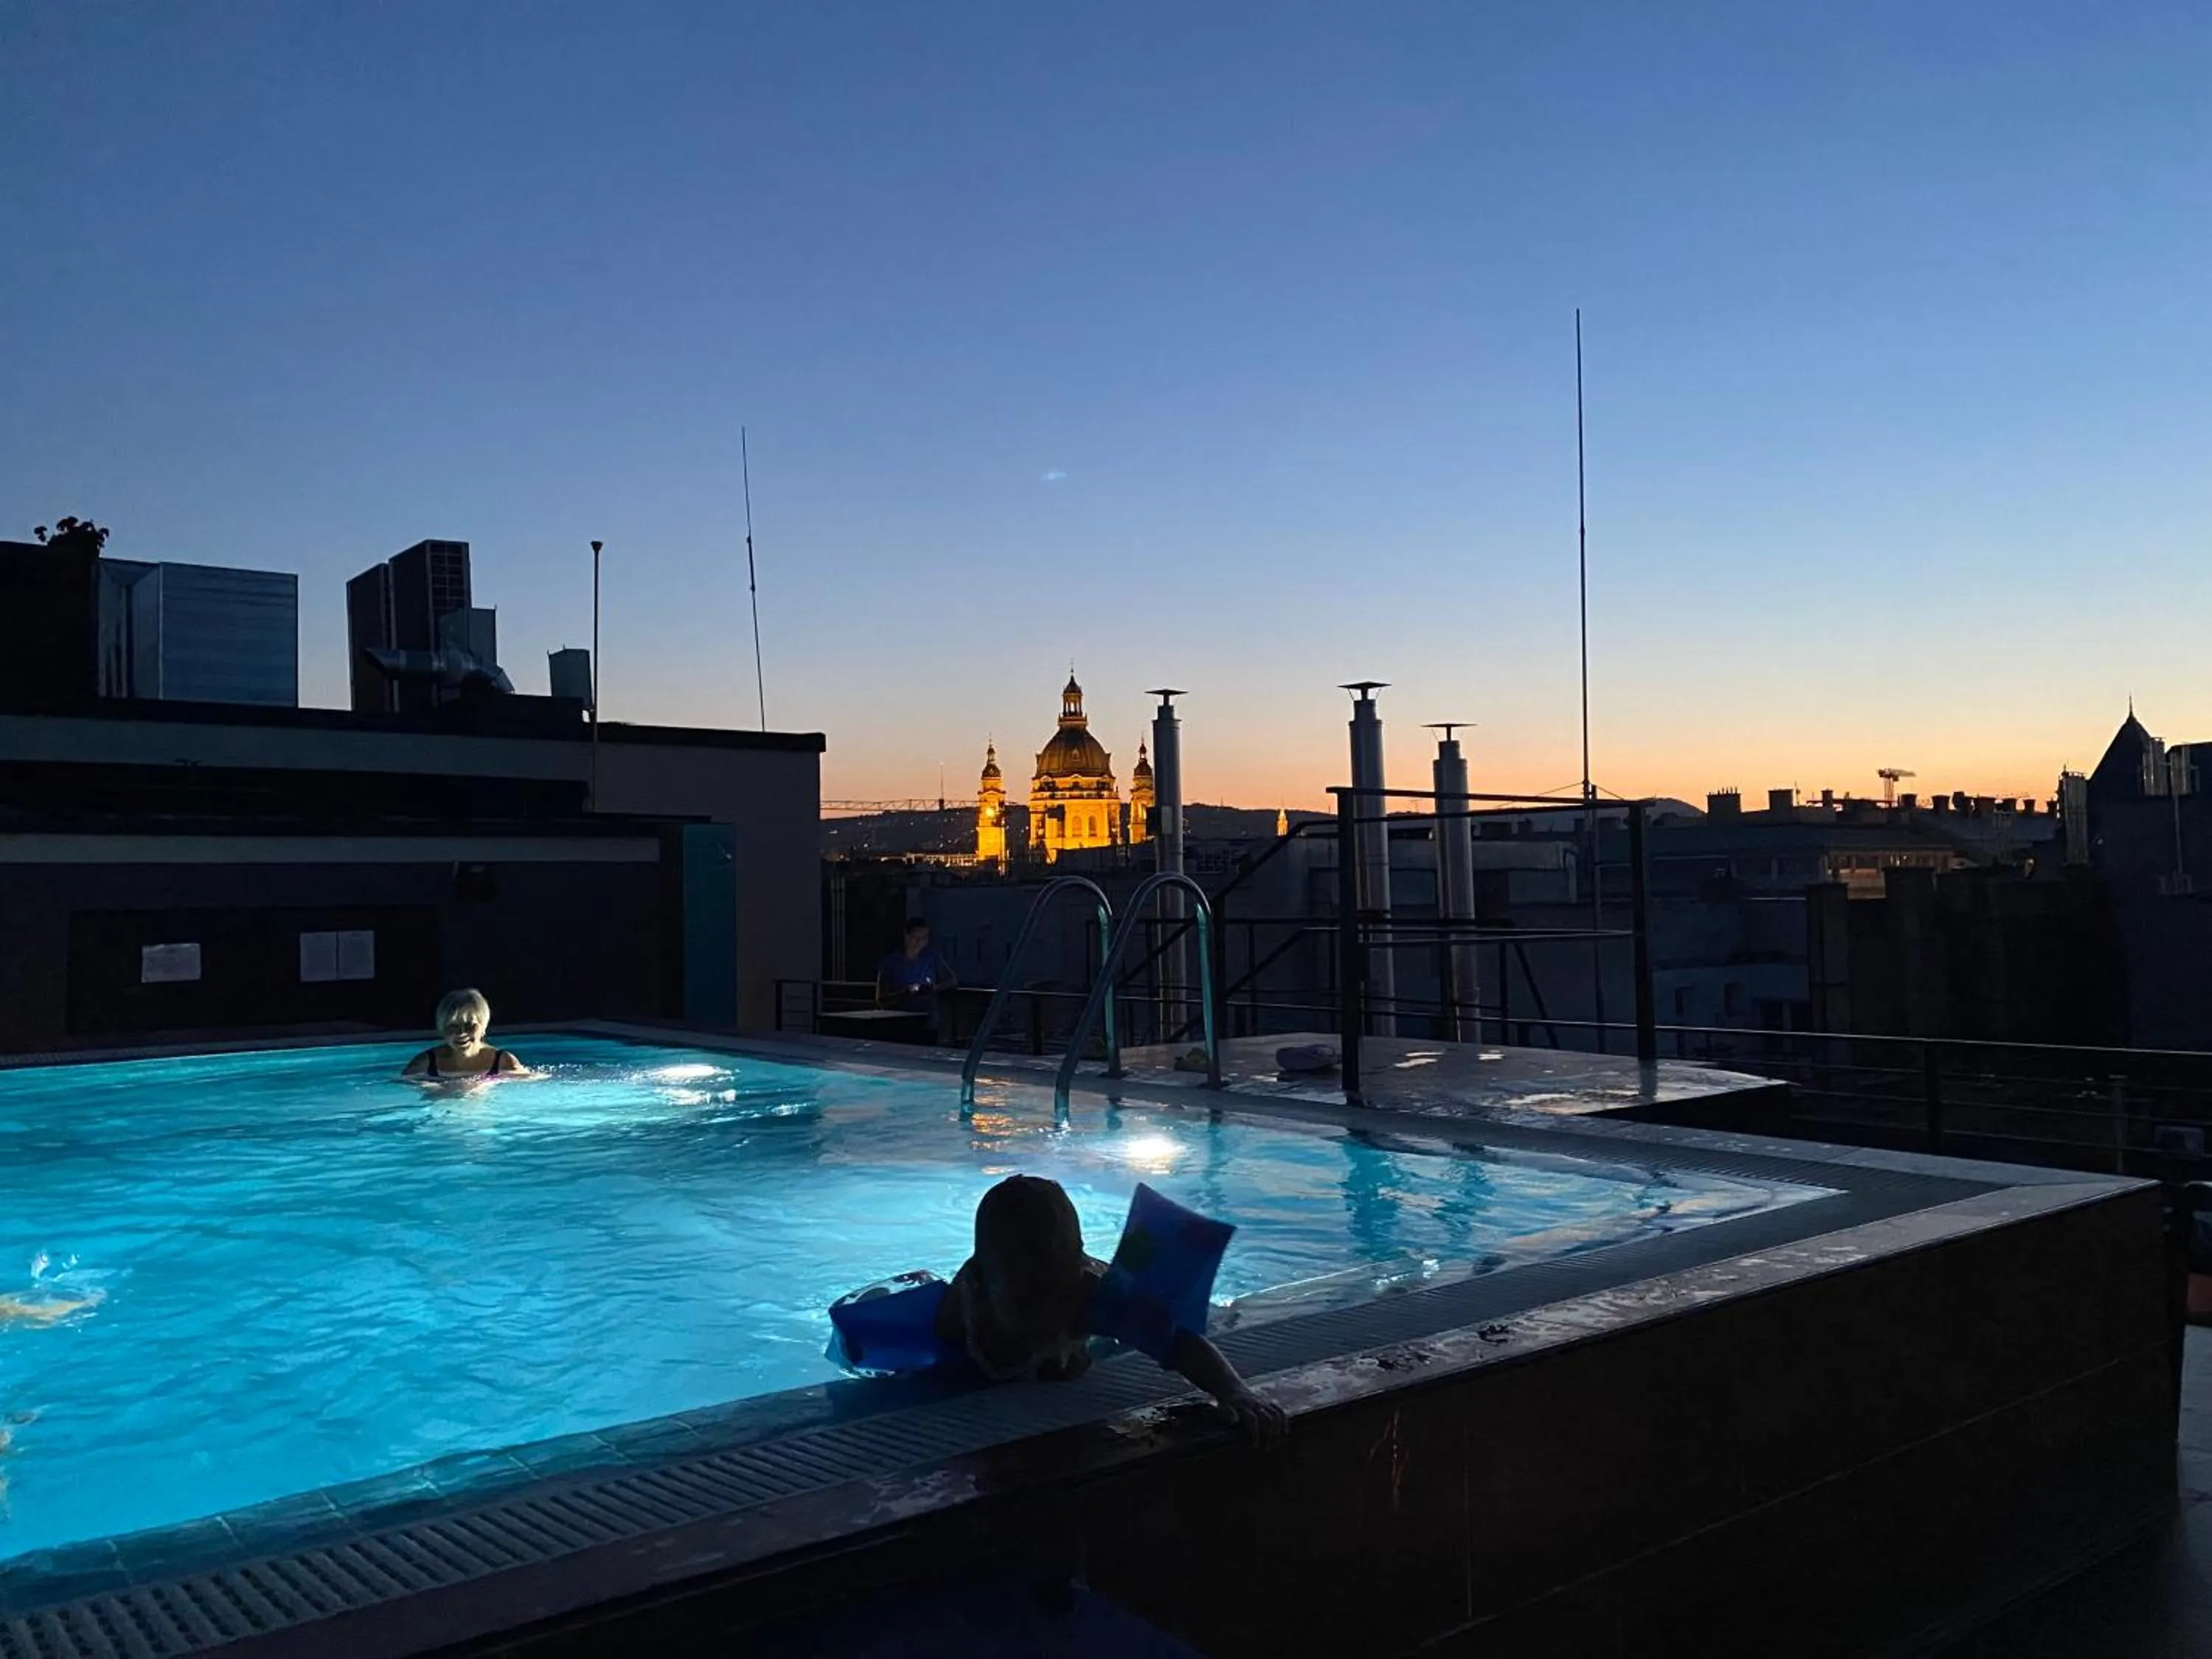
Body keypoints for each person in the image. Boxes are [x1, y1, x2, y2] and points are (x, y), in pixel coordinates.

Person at [932, 1175, 1287, 1445]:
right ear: (984, 1278)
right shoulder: (967, 1303)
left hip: (1087, 1280)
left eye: (1053, 1291)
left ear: (1072, 1272)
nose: (1043, 1310)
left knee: (1133, 1309)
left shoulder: (1088, 1296)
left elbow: (1178, 1342)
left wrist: (1235, 1392)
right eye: (1024, 1300)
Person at [402, 988, 529, 1080]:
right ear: (443, 1029)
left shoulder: (503, 1062)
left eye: (470, 1025)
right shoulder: (425, 1063)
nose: (461, 1033)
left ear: (483, 1026)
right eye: (453, 1026)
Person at [876, 917, 956, 1027]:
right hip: (899, 1023)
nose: (919, 942)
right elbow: (881, 999)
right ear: (906, 936)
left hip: (928, 1021)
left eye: (924, 938)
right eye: (915, 937)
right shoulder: (890, 963)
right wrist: (905, 993)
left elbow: (951, 980)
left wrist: (934, 988)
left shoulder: (932, 957)